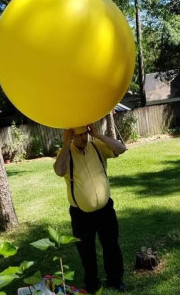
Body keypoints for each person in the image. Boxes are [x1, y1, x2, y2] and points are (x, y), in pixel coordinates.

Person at [54, 124, 127, 293]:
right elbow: (59, 171)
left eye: (85, 134)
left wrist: (99, 135)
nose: (83, 138)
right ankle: (92, 283)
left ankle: (115, 280)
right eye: (79, 135)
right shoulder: (66, 154)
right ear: (71, 136)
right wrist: (65, 144)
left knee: (111, 246)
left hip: (105, 210)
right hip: (81, 215)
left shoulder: (97, 146)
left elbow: (121, 149)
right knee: (86, 251)